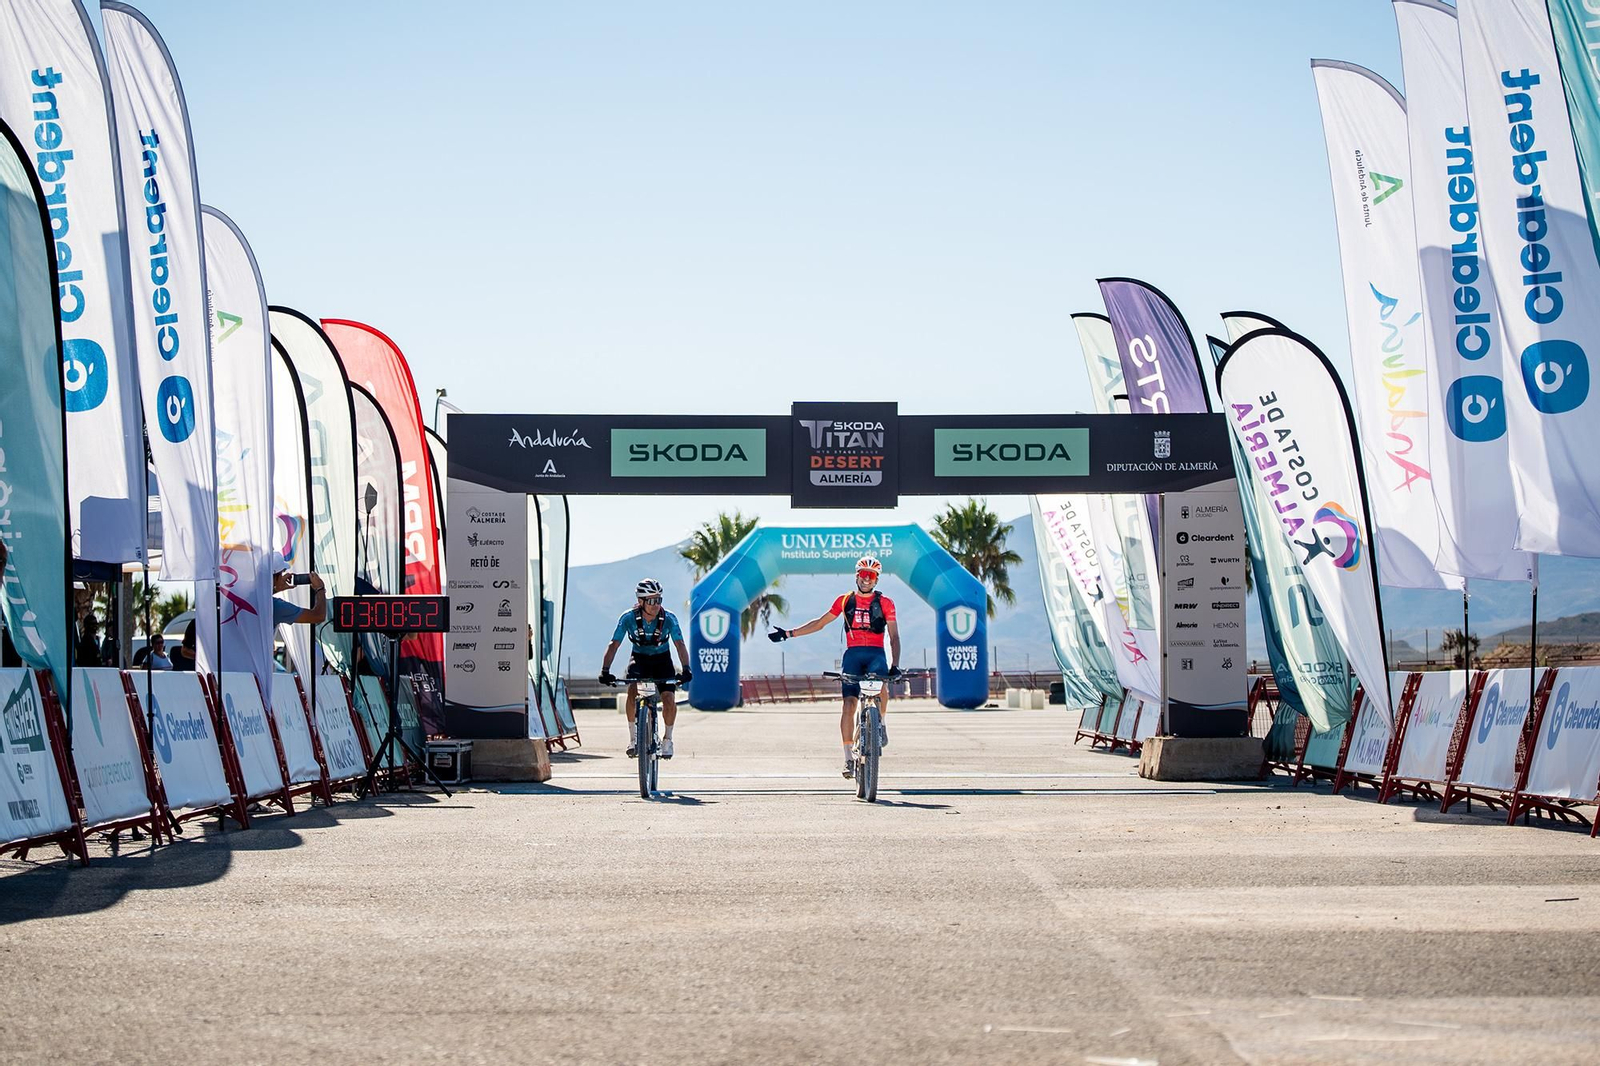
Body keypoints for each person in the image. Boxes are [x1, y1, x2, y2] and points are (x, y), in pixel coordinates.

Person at [768, 555, 901, 779]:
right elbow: (820, 623)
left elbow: (894, 637)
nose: (867, 579)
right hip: (853, 655)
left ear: (877, 580)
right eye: (863, 574)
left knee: (882, 687)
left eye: (872, 576)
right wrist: (789, 634)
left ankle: (881, 725)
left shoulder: (886, 603)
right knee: (848, 705)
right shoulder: (844, 601)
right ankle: (848, 757)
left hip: (877, 653)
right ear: (857, 576)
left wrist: (895, 665)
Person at [599, 578, 692, 759]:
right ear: (640, 601)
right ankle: (634, 739)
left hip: (662, 660)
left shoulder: (669, 619)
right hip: (640, 659)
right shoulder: (628, 618)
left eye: (659, 600)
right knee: (632, 689)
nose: (656, 604)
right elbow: (614, 645)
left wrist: (686, 668)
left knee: (668, 698)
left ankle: (668, 739)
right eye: (651, 600)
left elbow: (680, 645)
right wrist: (605, 671)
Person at [271, 553, 326, 625]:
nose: (283, 576)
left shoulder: (251, 595)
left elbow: (261, 597)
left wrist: (276, 589)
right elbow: (319, 616)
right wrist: (320, 589)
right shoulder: (277, 607)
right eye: (282, 572)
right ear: (276, 578)